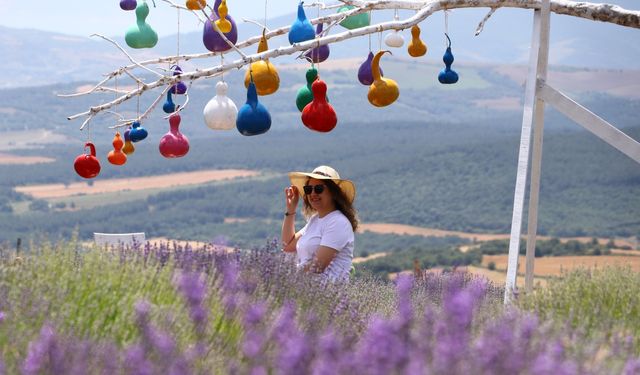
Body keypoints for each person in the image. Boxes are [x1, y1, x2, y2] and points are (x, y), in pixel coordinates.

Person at [281, 165, 358, 281]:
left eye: (318, 189)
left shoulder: (338, 222)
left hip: (327, 295)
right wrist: (291, 209)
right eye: (308, 189)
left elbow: (318, 266)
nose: (312, 193)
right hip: (305, 292)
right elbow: (288, 245)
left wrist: (284, 274)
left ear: (333, 192)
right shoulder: (315, 220)